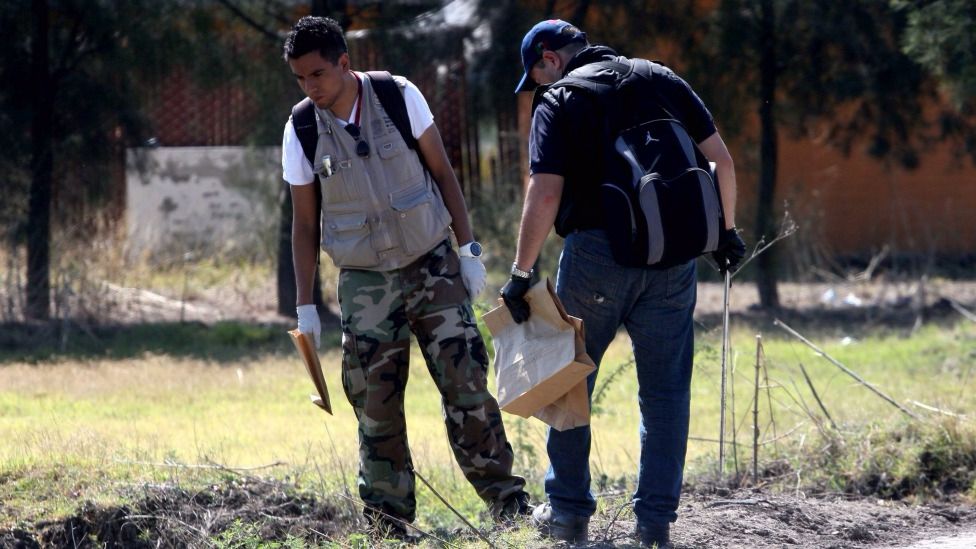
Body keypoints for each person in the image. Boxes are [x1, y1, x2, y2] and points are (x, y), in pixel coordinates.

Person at [501, 19, 747, 548]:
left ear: (549, 58)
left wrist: (521, 274)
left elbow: (545, 193)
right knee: (665, 395)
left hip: (595, 259)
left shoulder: (559, 100)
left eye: (537, 76)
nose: (539, 87)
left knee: (569, 385)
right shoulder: (659, 76)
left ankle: (568, 516)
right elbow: (720, 160)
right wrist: (726, 233)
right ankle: (654, 526)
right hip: (673, 259)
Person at [280, 15, 529, 537]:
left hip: (432, 264)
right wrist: (305, 305)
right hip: (366, 283)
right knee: (376, 405)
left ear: (345, 63)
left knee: (466, 383)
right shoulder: (301, 128)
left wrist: (469, 250)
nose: (311, 87)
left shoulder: (398, 96)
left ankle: (507, 505)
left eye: (319, 74)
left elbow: (443, 173)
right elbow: (304, 226)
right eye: (301, 78)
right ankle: (387, 522)